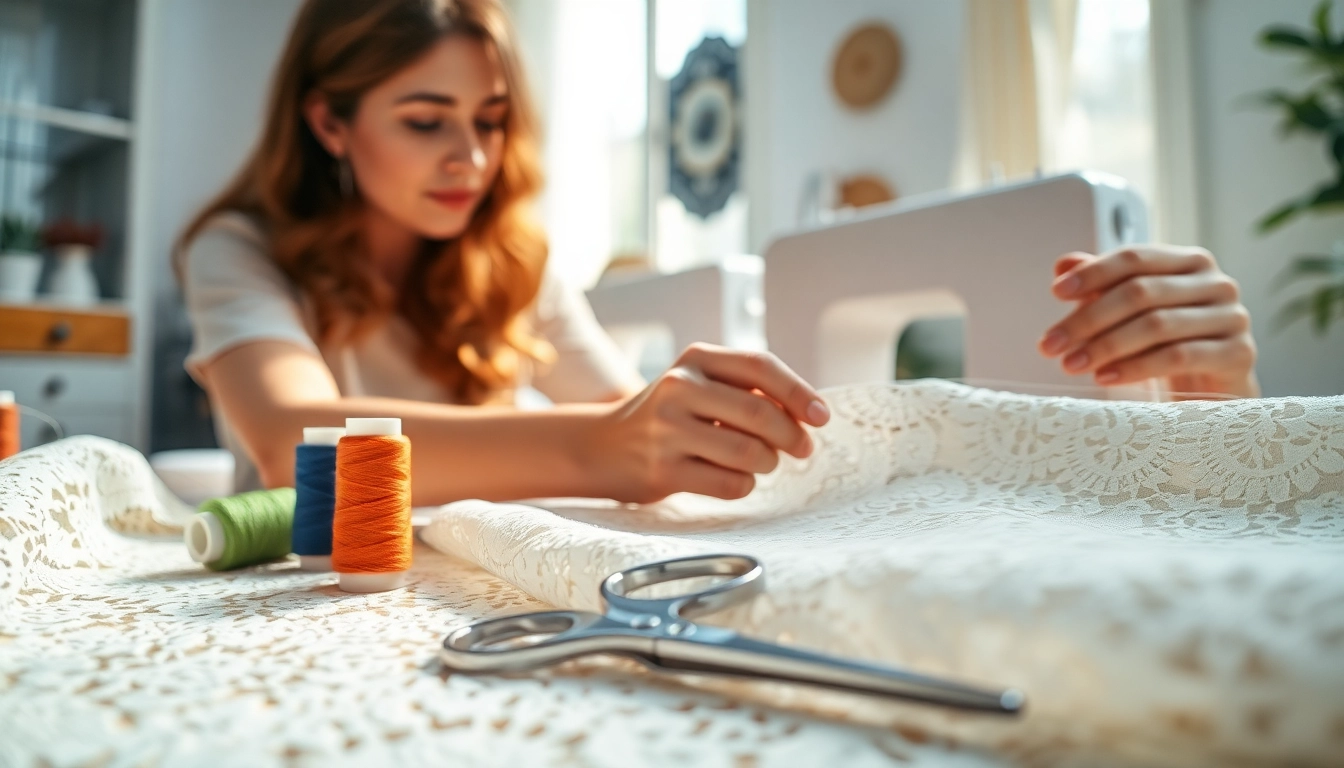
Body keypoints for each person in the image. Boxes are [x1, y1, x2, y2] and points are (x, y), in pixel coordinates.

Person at [178, 0, 1258, 507]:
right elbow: (296, 446)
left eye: (492, 116)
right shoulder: (236, 251)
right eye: (425, 119)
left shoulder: (513, 261)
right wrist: (609, 445)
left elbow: (635, 439)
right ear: (329, 123)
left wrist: (1213, 410)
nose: (470, 155)